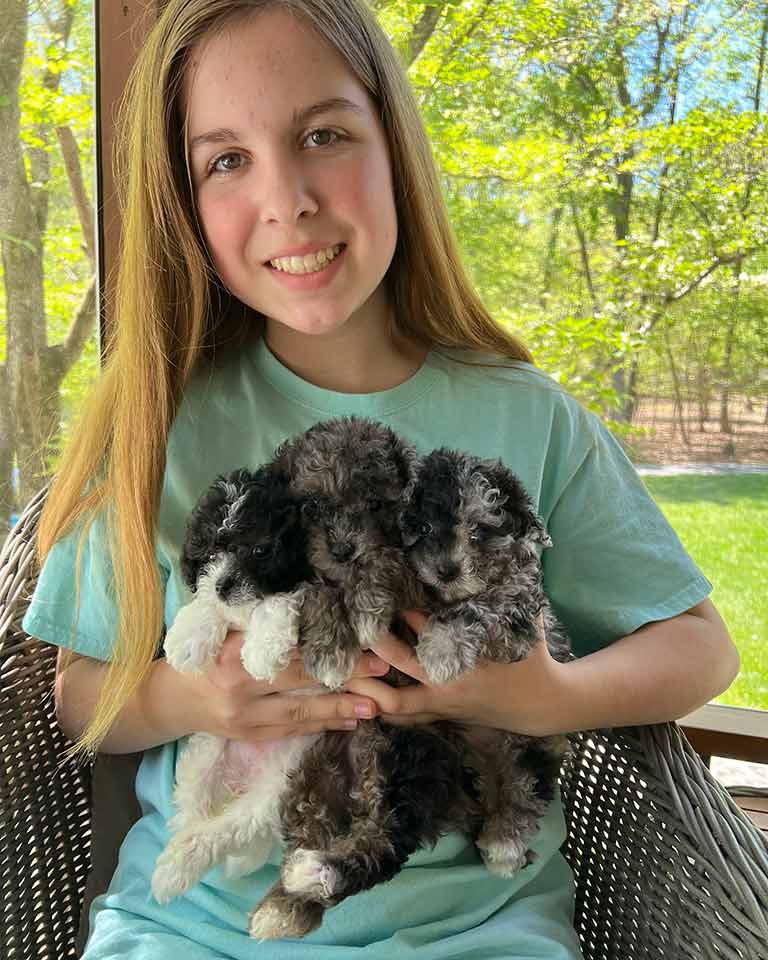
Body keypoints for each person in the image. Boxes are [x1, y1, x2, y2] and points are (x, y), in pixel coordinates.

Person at [23, 1, 739, 957]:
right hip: (194, 929)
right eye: (226, 160)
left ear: (395, 148)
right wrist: (201, 698)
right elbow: (82, 696)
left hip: (482, 930)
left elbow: (702, 650)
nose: (287, 199)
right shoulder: (156, 428)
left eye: (323, 136)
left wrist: (544, 698)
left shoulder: (528, 416)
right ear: (181, 204)